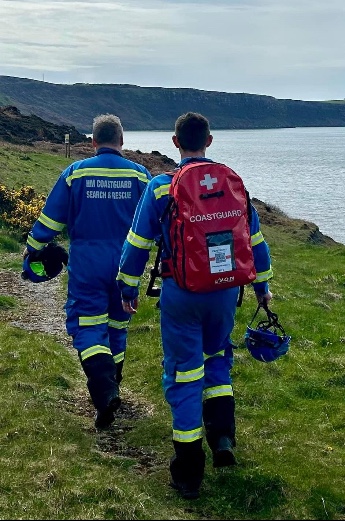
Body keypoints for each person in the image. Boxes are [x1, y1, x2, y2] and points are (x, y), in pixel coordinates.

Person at [117, 112, 273, 500]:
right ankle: (223, 438)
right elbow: (255, 241)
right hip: (225, 293)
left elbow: (137, 243)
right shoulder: (231, 183)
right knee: (218, 357)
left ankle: (188, 472)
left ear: (175, 142)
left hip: (182, 293)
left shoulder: (160, 188)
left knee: (185, 373)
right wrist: (263, 288)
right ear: (209, 141)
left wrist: (127, 286)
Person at [24, 114, 152, 429]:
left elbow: (51, 219)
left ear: (93, 142)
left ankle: (105, 393)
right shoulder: (140, 176)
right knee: (117, 328)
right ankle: (113, 386)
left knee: (87, 327)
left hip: (87, 264)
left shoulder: (76, 173)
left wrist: (33, 247)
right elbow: (156, 223)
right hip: (126, 265)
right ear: (122, 141)